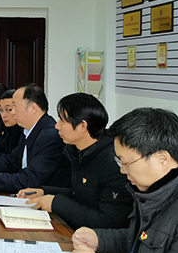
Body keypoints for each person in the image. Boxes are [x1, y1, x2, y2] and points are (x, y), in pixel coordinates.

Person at [69, 108, 178, 253]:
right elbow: (147, 240)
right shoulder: (161, 187)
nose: (122, 170)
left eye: (126, 162)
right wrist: (100, 239)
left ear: (162, 159)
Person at [18, 93, 132, 230]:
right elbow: (79, 194)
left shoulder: (113, 162)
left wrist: (56, 203)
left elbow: (108, 221)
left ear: (82, 126)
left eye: (62, 120)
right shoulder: (77, 151)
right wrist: (44, 191)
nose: (57, 126)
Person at [0, 84, 69, 193]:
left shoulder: (49, 136)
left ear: (33, 108)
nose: (13, 112)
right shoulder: (29, 130)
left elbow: (29, 179)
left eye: (14, 106)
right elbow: (12, 161)